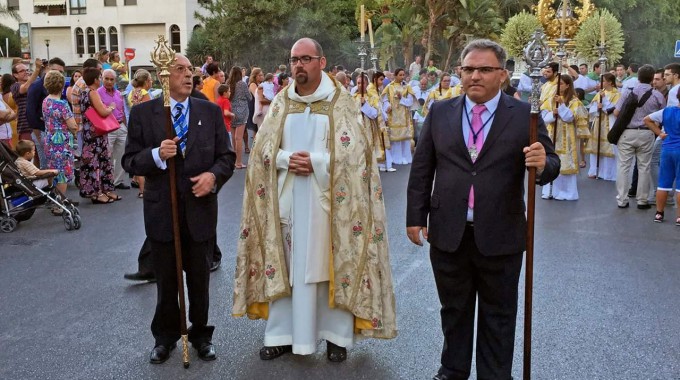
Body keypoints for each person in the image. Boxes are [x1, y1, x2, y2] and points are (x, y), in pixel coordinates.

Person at [232, 37, 397, 363]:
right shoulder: (280, 102)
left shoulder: (342, 102)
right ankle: (282, 335)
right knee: (287, 267)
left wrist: (319, 163)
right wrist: (283, 160)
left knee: (331, 268)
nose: (299, 65)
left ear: (321, 62)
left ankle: (336, 336)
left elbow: (358, 156)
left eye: (306, 59)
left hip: (329, 205)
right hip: (288, 202)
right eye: (295, 59)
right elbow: (262, 150)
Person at [406, 39, 559, 380]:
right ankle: (453, 369)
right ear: (460, 72)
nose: (475, 75)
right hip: (449, 231)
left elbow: (550, 163)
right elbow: (422, 168)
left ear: (502, 75)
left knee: (499, 314)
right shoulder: (440, 111)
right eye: (468, 69)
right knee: (454, 310)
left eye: (485, 69)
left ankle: (494, 374)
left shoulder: (524, 116)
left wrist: (542, 163)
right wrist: (415, 217)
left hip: (501, 234)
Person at [122, 53, 235, 364]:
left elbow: (226, 157)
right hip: (162, 211)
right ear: (164, 77)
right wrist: (157, 154)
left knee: (199, 279)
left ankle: (201, 334)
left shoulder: (209, 111)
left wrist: (213, 177)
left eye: (190, 70)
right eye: (180, 70)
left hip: (200, 211)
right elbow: (130, 160)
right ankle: (165, 336)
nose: (188, 75)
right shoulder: (145, 114)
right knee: (167, 280)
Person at [613, 64, 665, 209]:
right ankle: (642, 200)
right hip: (647, 133)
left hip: (627, 132)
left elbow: (616, 113)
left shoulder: (629, 93)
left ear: (638, 77)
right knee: (644, 166)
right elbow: (662, 115)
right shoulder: (657, 95)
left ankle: (622, 199)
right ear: (651, 79)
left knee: (623, 166)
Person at [540, 74, 588, 200]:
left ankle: (567, 193)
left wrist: (561, 106)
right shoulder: (550, 99)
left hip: (567, 136)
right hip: (552, 135)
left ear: (567, 86)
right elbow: (544, 118)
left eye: (561, 84)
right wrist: (553, 114)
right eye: (557, 83)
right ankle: (550, 190)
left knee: (565, 163)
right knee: (551, 162)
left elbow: (570, 118)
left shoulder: (574, 101)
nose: (558, 86)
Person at [77, 67, 120, 204]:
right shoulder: (93, 92)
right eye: (100, 77)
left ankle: (104, 189)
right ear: (96, 79)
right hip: (96, 133)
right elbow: (102, 112)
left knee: (99, 161)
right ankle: (98, 192)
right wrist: (111, 107)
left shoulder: (83, 92)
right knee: (98, 162)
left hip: (91, 132)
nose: (101, 80)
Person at [42, 70, 78, 207]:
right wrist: (75, 131)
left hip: (49, 139)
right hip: (61, 142)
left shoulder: (45, 101)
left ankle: (54, 200)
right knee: (62, 173)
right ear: (62, 85)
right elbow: (73, 125)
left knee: (53, 170)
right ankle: (60, 205)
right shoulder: (62, 104)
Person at [644, 90, 680, 225]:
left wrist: (660, 133)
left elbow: (647, 119)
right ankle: (679, 217)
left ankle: (659, 213)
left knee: (663, 183)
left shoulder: (666, 111)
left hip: (667, 148)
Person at [27, 58, 66, 170]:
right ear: (47, 68)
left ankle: (55, 186)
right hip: (41, 130)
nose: (57, 74)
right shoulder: (37, 86)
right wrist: (38, 134)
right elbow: (31, 112)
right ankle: (47, 187)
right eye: (54, 70)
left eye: (61, 72)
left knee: (57, 166)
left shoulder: (59, 86)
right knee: (46, 165)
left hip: (57, 131)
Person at [586, 72, 620, 181]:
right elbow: (591, 108)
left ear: (610, 82)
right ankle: (595, 170)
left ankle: (608, 173)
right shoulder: (600, 93)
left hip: (609, 122)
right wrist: (597, 107)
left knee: (609, 147)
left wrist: (604, 101)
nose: (601, 83)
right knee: (596, 146)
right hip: (598, 122)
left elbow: (614, 110)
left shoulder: (617, 94)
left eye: (604, 81)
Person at [98, 69, 128, 190]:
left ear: (115, 80)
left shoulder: (118, 94)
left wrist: (125, 125)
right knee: (107, 155)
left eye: (111, 79)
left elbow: (123, 110)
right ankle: (106, 181)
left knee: (121, 154)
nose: (109, 82)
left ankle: (118, 181)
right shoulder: (98, 93)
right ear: (102, 78)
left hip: (120, 126)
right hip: (107, 127)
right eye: (107, 79)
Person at [127, 69, 153, 198]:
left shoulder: (132, 93)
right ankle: (143, 190)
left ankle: (136, 180)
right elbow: (149, 111)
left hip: (134, 124)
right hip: (145, 125)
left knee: (137, 154)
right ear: (147, 81)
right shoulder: (144, 93)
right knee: (145, 155)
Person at [381, 68, 415, 166]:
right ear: (395, 76)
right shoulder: (389, 87)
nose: (402, 77)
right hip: (393, 116)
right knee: (395, 139)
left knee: (404, 138)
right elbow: (384, 100)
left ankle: (406, 157)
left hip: (404, 116)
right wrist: (387, 107)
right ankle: (396, 158)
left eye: (403, 75)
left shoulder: (407, 87)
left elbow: (410, 102)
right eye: (400, 75)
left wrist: (401, 98)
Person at [12, 59, 44, 142]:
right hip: (26, 128)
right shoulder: (15, 86)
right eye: (22, 71)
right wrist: (37, 69)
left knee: (40, 154)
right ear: (15, 75)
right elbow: (25, 88)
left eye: (27, 70)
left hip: (38, 125)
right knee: (29, 153)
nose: (26, 72)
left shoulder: (34, 85)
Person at [228, 66, 252, 169]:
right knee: (239, 138)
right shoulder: (242, 84)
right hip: (242, 111)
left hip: (231, 111)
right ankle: (239, 162)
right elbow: (249, 97)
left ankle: (234, 161)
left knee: (233, 137)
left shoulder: (228, 84)